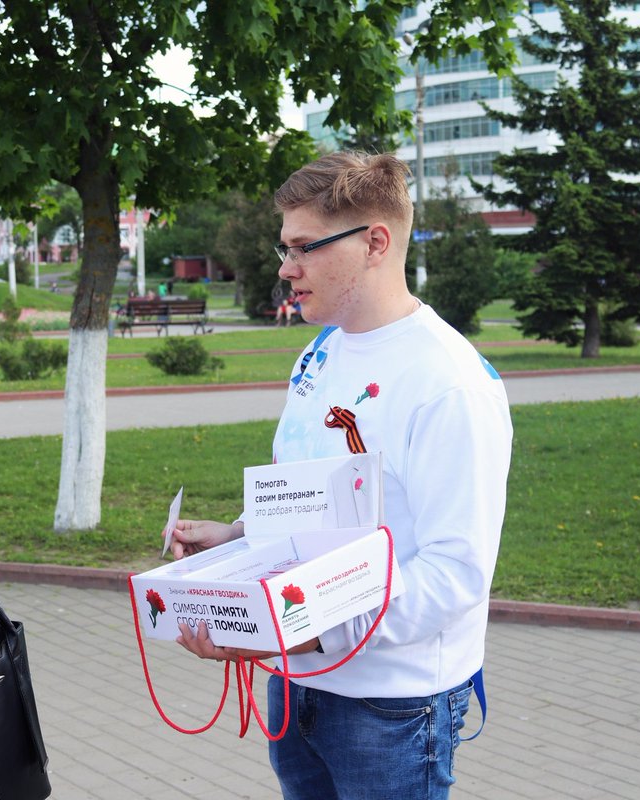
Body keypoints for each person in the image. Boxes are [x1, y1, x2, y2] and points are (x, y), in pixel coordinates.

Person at [168, 151, 513, 800]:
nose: (283, 268)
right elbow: (312, 498)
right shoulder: (320, 350)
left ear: (375, 243)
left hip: (392, 705)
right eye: (283, 247)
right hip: (299, 683)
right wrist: (238, 537)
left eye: (302, 247)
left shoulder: (449, 384)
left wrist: (295, 625)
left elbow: (455, 572)